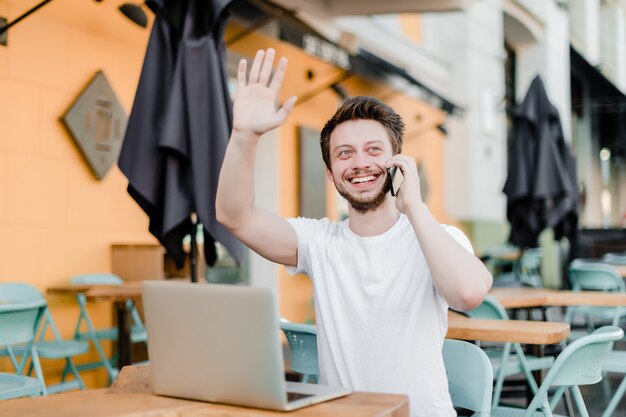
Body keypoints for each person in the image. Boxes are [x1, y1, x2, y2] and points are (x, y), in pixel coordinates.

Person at [216, 48, 493, 417]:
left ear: (397, 163)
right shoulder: (319, 242)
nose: (360, 162)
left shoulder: (436, 238)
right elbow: (235, 217)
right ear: (331, 173)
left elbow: (469, 293)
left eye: (373, 150)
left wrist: (413, 206)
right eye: (344, 154)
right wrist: (244, 135)